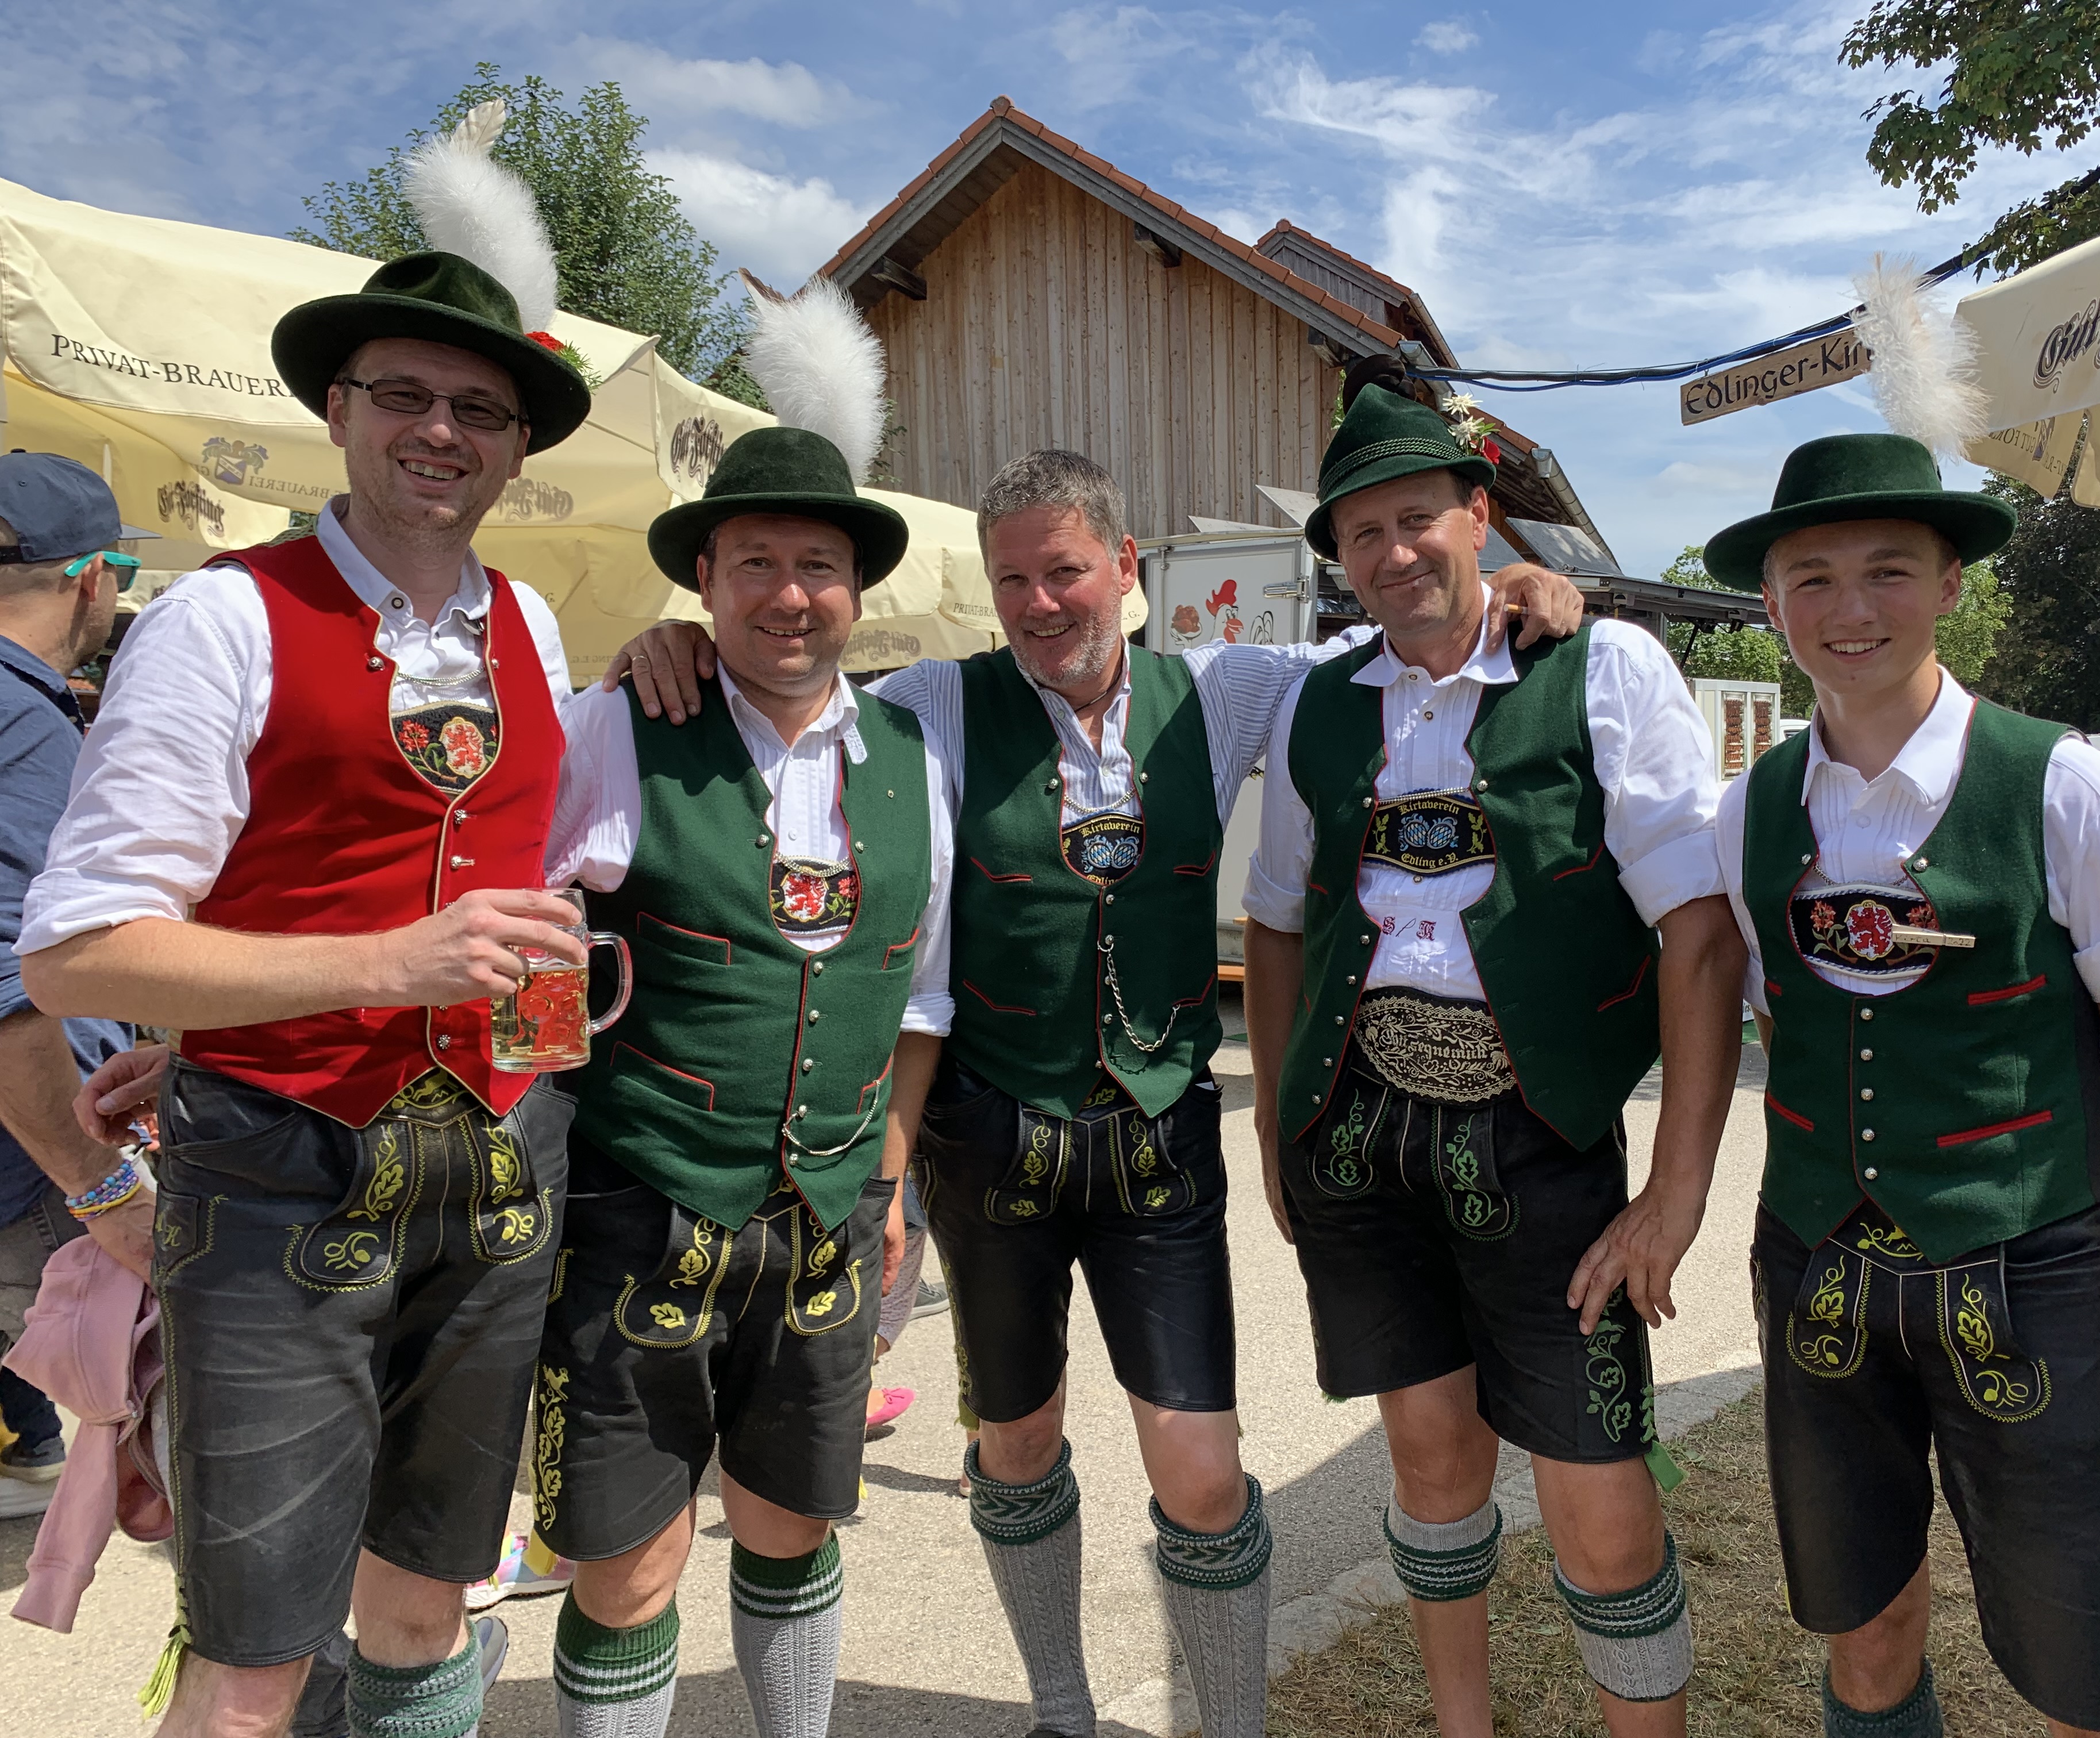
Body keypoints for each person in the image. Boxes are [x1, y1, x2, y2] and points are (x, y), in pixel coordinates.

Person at [606, 444, 1582, 1738]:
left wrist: (1513, 588)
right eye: (1011, 579)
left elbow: (1401, 645)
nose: (1038, 604)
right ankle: (1063, 1711)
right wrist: (672, 643)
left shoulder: (1225, 691)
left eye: (1064, 571)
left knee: (1201, 1470)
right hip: (992, 1137)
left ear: (1125, 568)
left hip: (1159, 1136)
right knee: (1015, 1444)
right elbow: (795, 686)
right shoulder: (940, 703)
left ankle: (1230, 1726)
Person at [18, 249, 591, 1738]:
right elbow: (74, 949)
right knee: (254, 1665)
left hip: (497, 1170)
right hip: (284, 1187)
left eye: (482, 407)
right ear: (338, 410)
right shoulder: (224, 619)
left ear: (516, 445)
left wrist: (229, 1012)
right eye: (405, 393)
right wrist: (375, 970)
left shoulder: (532, 627)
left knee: (427, 1609)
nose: (443, 430)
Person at [1240, 376, 1744, 1738]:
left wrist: (1677, 1190)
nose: (1393, 552)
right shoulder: (1317, 703)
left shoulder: (1602, 667)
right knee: (1429, 1459)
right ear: (1338, 560)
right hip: (1361, 1131)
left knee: (1601, 1498)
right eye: (1362, 533)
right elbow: (1277, 922)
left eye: (1418, 518)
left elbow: (1701, 936)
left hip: (1540, 1133)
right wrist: (1279, 1122)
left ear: (1479, 516)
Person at [1702, 433, 2100, 1738]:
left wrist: (2066, 1240)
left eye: (1888, 569)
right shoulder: (1744, 812)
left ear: (1947, 583)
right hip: (1818, 1263)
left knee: (2095, 1671)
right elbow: (1761, 1014)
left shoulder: (2075, 791)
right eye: (1812, 577)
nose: (1850, 607)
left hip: (2030, 1272)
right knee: (1864, 1626)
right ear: (1771, 602)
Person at [534, 418, 954, 1738]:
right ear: (705, 580)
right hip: (639, 1197)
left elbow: (917, 995)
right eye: (756, 562)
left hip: (827, 1211)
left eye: (818, 565)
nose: (789, 593)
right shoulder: (612, 726)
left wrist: (890, 1176)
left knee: (791, 1522)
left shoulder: (913, 762)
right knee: (630, 1562)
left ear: (857, 591)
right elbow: (513, 939)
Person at [0, 453, 149, 1522]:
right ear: (94, 575)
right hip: (35, 1168)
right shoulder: (22, 722)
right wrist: (100, 1188)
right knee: (190, 1434)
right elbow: (9, 983)